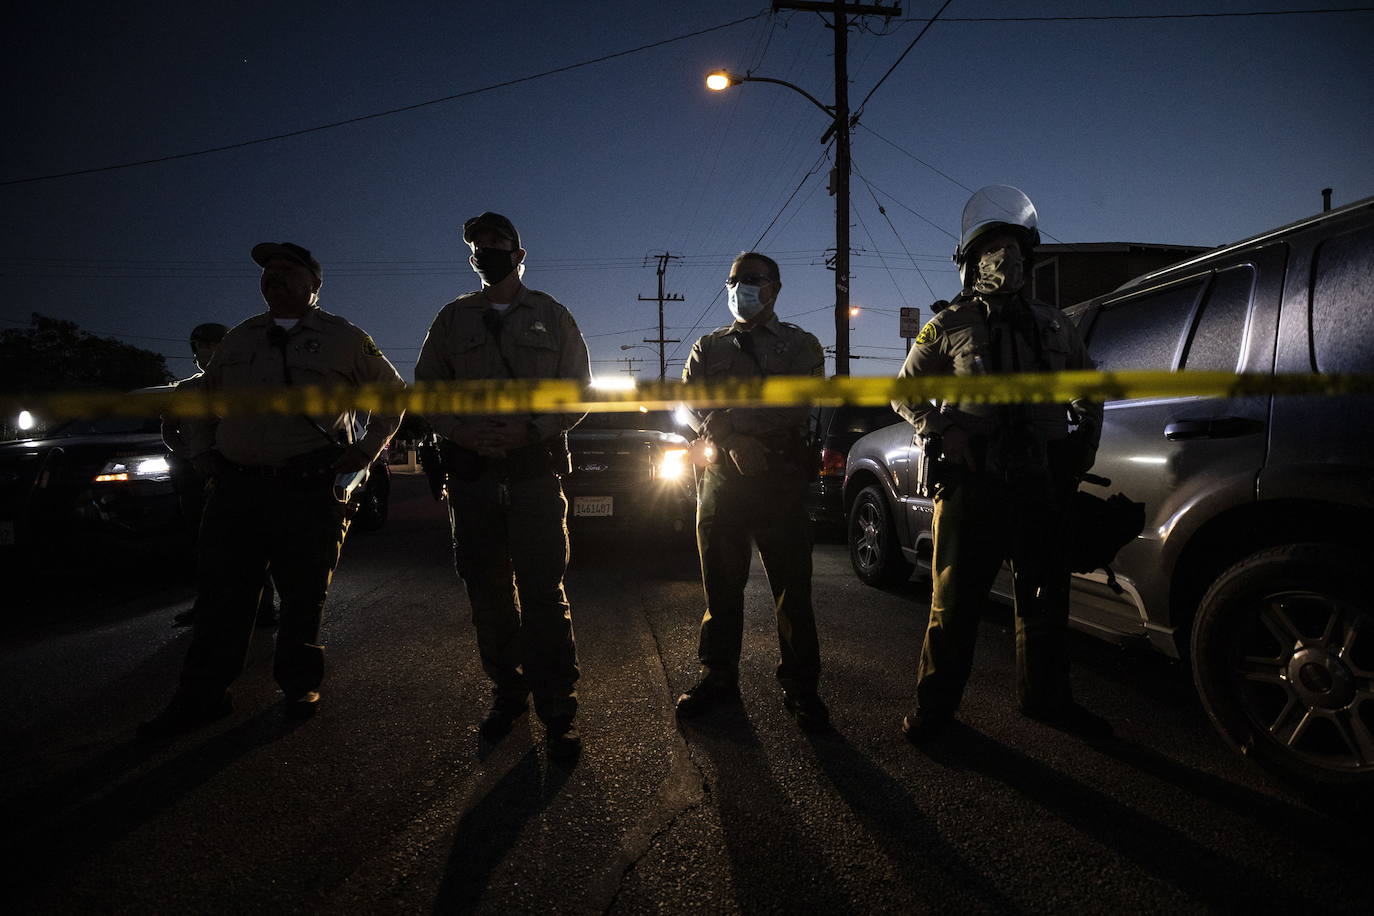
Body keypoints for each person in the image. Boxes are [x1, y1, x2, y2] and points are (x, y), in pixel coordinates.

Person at [139, 242, 404, 737]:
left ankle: (299, 684)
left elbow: (393, 395)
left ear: (313, 284)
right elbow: (199, 398)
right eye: (268, 271)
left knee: (303, 595)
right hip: (237, 488)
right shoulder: (240, 338)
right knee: (221, 597)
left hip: (307, 488)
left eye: (286, 269)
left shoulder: (345, 337)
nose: (273, 276)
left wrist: (366, 450)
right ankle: (201, 696)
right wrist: (201, 452)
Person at [892, 186, 1108, 742]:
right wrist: (943, 429)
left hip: (1041, 481)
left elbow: (1088, 388)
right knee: (954, 602)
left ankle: (1047, 699)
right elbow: (904, 392)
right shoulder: (948, 324)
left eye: (1014, 248)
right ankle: (935, 711)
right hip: (974, 482)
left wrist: (1081, 446)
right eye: (993, 249)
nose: (1006, 257)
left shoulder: (1055, 325)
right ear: (972, 264)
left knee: (1044, 598)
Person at [415, 212, 590, 761]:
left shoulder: (552, 315)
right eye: (477, 244)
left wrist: (530, 429)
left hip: (533, 473)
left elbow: (579, 392)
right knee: (487, 592)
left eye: (496, 242)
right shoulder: (452, 319)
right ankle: (508, 693)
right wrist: (460, 431)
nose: (485, 250)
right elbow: (427, 391)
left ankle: (557, 705)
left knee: (543, 593)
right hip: (472, 477)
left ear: (519, 253)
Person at [675, 251, 829, 731]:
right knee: (721, 586)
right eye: (733, 280)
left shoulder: (801, 345)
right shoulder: (707, 347)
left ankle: (801, 687)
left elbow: (797, 404)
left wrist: (733, 426)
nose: (739, 287)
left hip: (780, 476)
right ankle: (718, 675)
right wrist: (734, 440)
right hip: (723, 479)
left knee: (792, 588)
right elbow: (690, 402)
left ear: (774, 288)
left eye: (751, 279)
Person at [164, 322, 277, 629]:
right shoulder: (186, 390)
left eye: (215, 345)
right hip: (195, 476)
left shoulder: (249, 386)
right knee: (205, 544)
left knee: (252, 541)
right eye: (203, 346)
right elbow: (169, 429)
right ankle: (207, 605)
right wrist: (191, 455)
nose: (209, 352)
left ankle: (263, 606)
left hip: (239, 472)